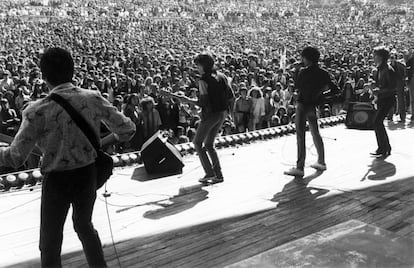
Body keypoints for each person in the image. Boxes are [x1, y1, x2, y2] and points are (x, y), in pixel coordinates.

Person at [0, 48, 136, 267]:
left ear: (44, 77)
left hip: (57, 181)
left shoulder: (37, 111)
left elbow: (15, 158)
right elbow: (127, 130)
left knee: (50, 242)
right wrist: (101, 143)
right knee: (84, 226)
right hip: (87, 174)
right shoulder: (92, 98)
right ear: (72, 71)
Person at [167, 53, 234, 184]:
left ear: (203, 65)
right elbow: (231, 97)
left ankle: (209, 173)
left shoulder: (203, 80)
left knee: (198, 143)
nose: (196, 68)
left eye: (197, 65)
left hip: (210, 115)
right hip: (222, 113)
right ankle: (218, 175)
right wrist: (229, 113)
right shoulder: (223, 76)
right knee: (209, 144)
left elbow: (202, 102)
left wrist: (186, 99)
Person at [284, 47, 328, 177]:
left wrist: (296, 71)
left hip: (303, 104)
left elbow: (298, 86)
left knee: (300, 135)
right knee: (315, 132)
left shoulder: (303, 72)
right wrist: (318, 95)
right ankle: (321, 161)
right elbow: (328, 87)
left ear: (306, 58)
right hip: (314, 105)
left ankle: (300, 167)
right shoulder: (323, 72)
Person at [371, 47, 397, 158]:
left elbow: (392, 88)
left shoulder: (388, 70)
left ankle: (385, 147)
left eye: (375, 55)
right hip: (382, 98)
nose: (373, 57)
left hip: (388, 99)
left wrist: (379, 90)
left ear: (380, 57)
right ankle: (382, 147)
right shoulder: (379, 69)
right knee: (377, 122)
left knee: (377, 122)